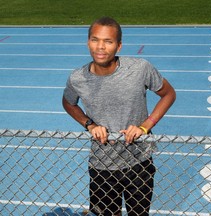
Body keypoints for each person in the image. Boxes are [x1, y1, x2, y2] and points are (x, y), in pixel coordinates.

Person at [62, 17, 176, 216]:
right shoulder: (77, 78)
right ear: (88, 42)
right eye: (95, 40)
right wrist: (89, 124)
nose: (101, 47)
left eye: (108, 41)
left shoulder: (140, 69)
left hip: (138, 162)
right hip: (101, 165)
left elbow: (168, 94)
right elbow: (68, 103)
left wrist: (145, 126)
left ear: (119, 46)